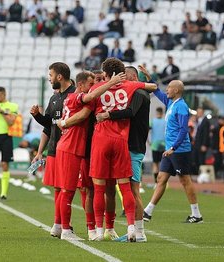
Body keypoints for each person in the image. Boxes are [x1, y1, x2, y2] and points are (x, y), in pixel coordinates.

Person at [62, 58, 157, 241]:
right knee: (125, 188)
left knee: (99, 189)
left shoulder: (96, 89)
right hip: (121, 141)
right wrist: (137, 82)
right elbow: (152, 87)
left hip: (100, 140)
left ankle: (98, 231)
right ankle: (131, 229)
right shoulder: (129, 85)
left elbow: (86, 103)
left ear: (105, 73)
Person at [55, 71, 125, 240]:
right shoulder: (77, 97)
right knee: (70, 189)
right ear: (81, 85)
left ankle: (69, 228)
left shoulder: (87, 98)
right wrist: (64, 123)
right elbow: (84, 113)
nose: (95, 85)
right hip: (72, 147)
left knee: (76, 189)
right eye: (92, 82)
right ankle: (67, 229)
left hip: (81, 147)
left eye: (100, 80)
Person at [96, 65, 152, 242]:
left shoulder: (138, 93)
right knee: (123, 188)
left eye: (124, 77)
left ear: (133, 77)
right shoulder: (138, 92)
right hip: (126, 145)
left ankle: (140, 232)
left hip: (133, 147)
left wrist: (107, 115)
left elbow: (130, 112)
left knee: (133, 190)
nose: (121, 80)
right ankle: (131, 230)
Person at [143, 80, 203, 224]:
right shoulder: (172, 103)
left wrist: (173, 148)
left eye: (169, 87)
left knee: (185, 180)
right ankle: (148, 212)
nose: (167, 90)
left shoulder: (181, 106)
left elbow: (184, 130)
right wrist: (149, 78)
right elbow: (158, 92)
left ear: (176, 90)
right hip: (170, 150)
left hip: (179, 150)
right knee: (161, 179)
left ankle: (196, 214)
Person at [30, 62, 75, 238]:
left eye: (50, 75)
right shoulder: (55, 98)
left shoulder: (74, 95)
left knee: (70, 189)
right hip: (55, 148)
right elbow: (49, 125)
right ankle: (60, 225)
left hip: (72, 148)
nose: (49, 79)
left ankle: (90, 228)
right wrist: (37, 116)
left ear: (59, 76)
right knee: (59, 188)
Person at [193, 108, 210, 175]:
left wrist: (204, 145)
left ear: (202, 113)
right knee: (195, 159)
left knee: (201, 159)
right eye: (197, 112)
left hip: (202, 144)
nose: (198, 113)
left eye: (200, 112)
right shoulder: (197, 121)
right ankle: (199, 173)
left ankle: (203, 175)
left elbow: (206, 134)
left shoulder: (205, 121)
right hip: (196, 143)